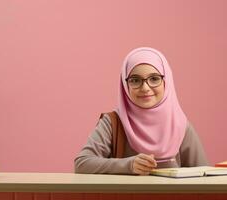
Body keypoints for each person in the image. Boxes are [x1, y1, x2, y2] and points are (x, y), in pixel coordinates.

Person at [74, 47, 208, 175]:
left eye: (154, 78)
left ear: (166, 81)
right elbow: (82, 163)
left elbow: (204, 174)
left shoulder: (180, 125)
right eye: (135, 80)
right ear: (125, 85)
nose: (145, 87)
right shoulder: (113, 122)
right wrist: (128, 165)